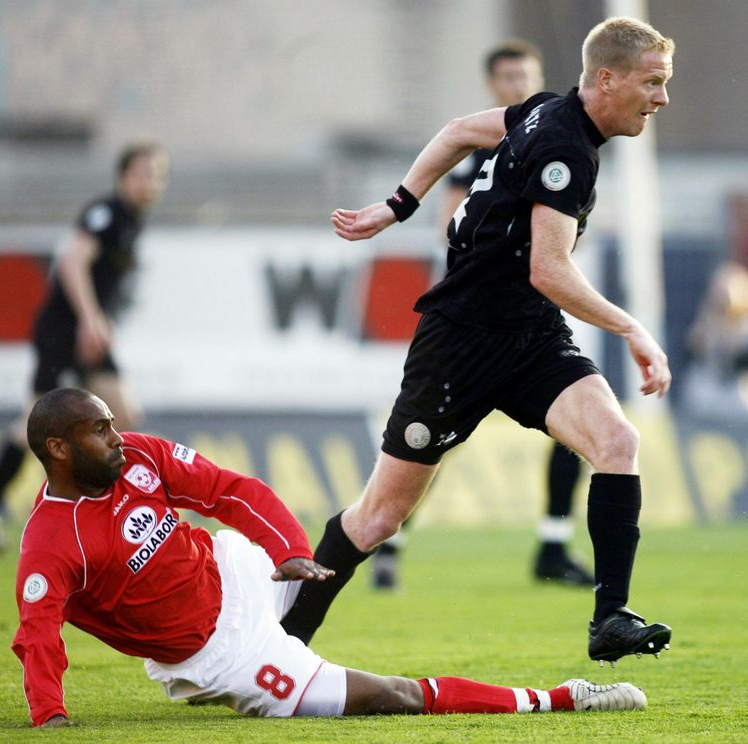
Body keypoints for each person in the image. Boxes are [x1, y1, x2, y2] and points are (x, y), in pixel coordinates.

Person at [284, 17, 676, 666]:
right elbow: (548, 269)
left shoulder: (550, 112)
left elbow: (458, 131)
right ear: (605, 80)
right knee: (379, 518)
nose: (662, 98)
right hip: (459, 344)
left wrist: (397, 205)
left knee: (616, 441)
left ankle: (610, 617)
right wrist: (631, 327)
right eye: (653, 82)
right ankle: (282, 643)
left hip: (530, 337)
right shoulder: (565, 148)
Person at [11, 387, 648, 728]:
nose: (117, 438)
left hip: (235, 574)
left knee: (353, 531)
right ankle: (563, 699)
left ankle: (308, 608)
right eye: (100, 431)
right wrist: (50, 715)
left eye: (112, 423)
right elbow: (37, 634)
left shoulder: (140, 457)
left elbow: (235, 492)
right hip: (220, 655)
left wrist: (286, 551)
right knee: (394, 698)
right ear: (59, 449)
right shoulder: (50, 542)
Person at [371, 40, 594, 591]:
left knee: (583, 428)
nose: (519, 85)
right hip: (473, 320)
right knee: (433, 439)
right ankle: (390, 541)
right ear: (493, 85)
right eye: (508, 77)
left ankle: (553, 542)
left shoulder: (561, 143)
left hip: (532, 317)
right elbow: (451, 224)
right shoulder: (480, 151)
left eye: (527, 76)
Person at [0, 143, 169, 554]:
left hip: (89, 334)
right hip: (65, 332)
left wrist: (100, 320)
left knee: (127, 415)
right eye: (142, 173)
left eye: (156, 174)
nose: (150, 182)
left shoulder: (132, 221)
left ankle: (125, 515)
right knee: (35, 420)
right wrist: (90, 317)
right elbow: (71, 261)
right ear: (123, 177)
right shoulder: (108, 213)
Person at [679, 261, 748, 423]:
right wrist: (711, 324)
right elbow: (693, 353)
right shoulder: (706, 321)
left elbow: (747, 364)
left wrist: (732, 331)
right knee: (699, 389)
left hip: (739, 386)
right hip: (711, 386)